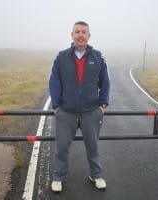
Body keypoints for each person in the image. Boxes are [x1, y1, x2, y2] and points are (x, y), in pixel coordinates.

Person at [49, 21, 110, 192]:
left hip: (91, 112)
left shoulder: (98, 57)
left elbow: (106, 82)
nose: (80, 35)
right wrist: (56, 106)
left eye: (84, 32)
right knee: (61, 147)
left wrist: (102, 105)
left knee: (93, 146)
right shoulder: (61, 57)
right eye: (77, 32)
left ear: (89, 36)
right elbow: (54, 81)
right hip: (66, 111)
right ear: (72, 35)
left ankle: (96, 175)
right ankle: (58, 177)